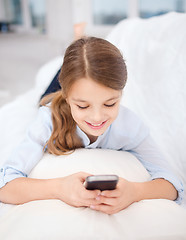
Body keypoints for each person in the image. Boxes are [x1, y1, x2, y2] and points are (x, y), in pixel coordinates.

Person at [0, 37, 183, 215]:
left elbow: (173, 184)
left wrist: (135, 192)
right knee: (45, 97)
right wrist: (59, 188)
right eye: (83, 106)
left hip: (69, 90)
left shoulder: (131, 126)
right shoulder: (47, 120)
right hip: (53, 99)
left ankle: (80, 45)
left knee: (81, 68)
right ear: (68, 98)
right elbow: (5, 185)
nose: (97, 118)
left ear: (121, 94)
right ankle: (77, 42)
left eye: (110, 104)